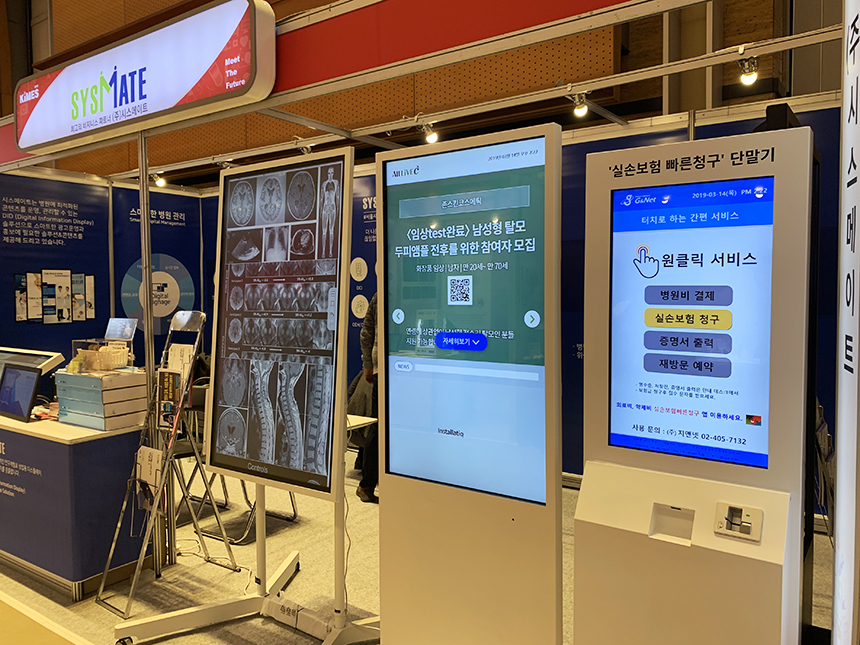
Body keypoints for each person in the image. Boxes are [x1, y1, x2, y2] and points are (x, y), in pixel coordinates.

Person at [356, 292, 378, 503]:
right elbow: (367, 330)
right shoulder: (381, 295)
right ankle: (367, 484)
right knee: (379, 425)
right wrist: (368, 364)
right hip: (383, 367)